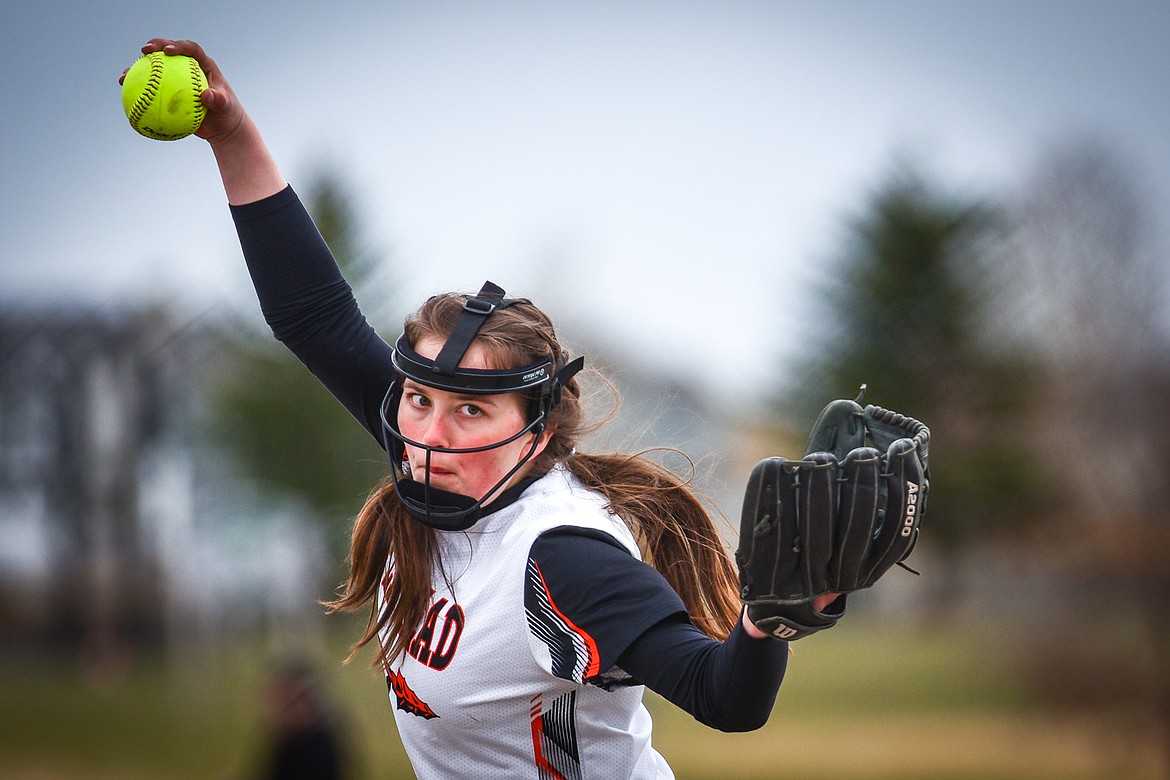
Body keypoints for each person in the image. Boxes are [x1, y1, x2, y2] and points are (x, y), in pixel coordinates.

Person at [125, 39, 845, 778]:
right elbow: (310, 314)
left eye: (472, 411)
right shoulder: (436, 457)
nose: (430, 433)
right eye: (418, 398)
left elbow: (723, 696)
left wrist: (770, 618)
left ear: (536, 435)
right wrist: (233, 135)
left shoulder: (560, 555)